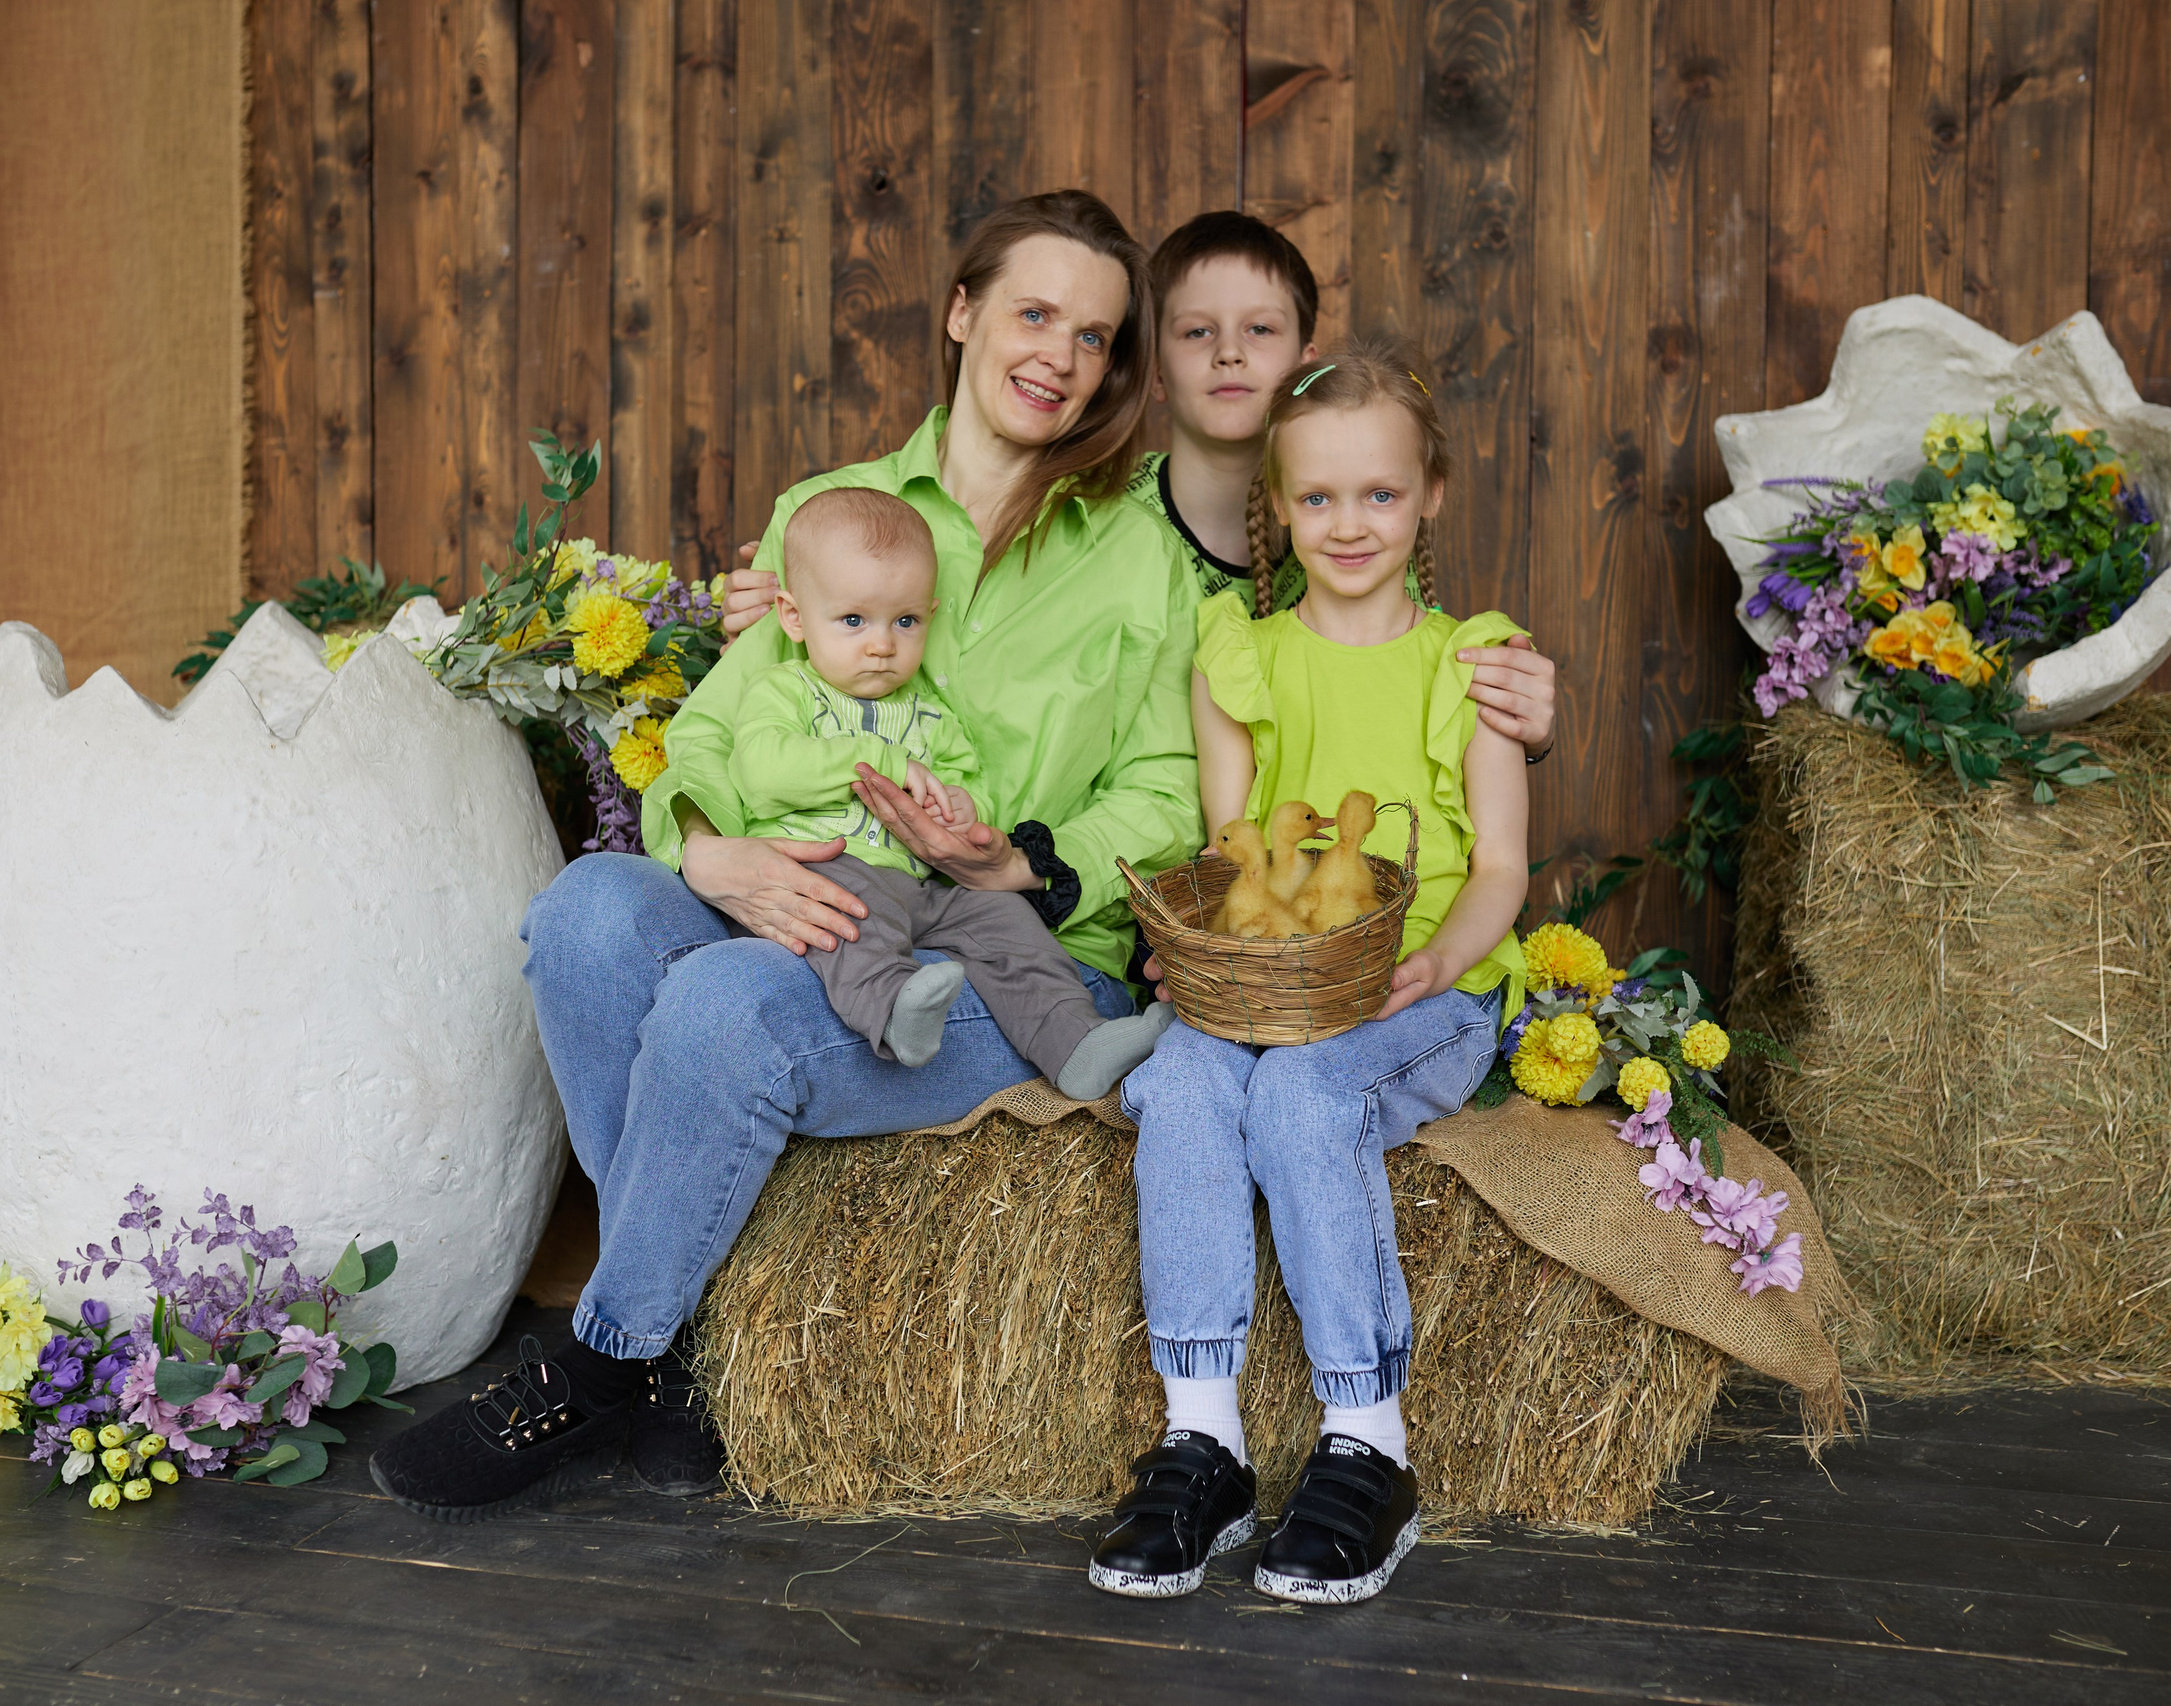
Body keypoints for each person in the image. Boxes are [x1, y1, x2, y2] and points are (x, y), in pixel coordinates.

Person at [368, 189, 1201, 1521]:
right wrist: (711, 853)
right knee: (588, 912)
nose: (1060, 352)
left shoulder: (1147, 562)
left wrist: (1015, 857)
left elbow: (1171, 792)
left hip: (1012, 959)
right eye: (1034, 311)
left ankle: (597, 1360)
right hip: (809, 903)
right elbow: (717, 728)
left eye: (1096, 336)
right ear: (962, 312)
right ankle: (675, 1350)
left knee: (725, 1006)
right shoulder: (828, 509)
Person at [1088, 338, 1530, 1606]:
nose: (1349, 523)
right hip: (1278, 970)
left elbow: (1498, 865)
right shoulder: (1243, 650)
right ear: (1275, 505)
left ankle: (1366, 1441)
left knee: (1299, 1100)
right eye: (1319, 496)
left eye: (1380, 494)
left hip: (1424, 993)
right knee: (1178, 1088)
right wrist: (1217, 965)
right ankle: (1203, 1435)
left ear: (1430, 494)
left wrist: (1440, 957)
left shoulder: (1472, 659)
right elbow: (1236, 855)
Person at [715, 211, 1562, 760]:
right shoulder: (1098, 514)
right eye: (1196, 333)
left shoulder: (1348, 542)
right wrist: (814, 611)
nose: (1229, 354)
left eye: (1259, 331)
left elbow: (1398, 699)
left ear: (1310, 363)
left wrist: (1513, 726)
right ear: (1152, 373)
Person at [730, 485, 1175, 1095]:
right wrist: (877, 758)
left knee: (1005, 918)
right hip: (835, 867)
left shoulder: (929, 712)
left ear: (929, 616)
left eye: (905, 621)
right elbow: (762, 770)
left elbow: (966, 779)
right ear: (794, 617)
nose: (882, 643)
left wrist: (965, 810)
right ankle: (893, 1009)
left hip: (928, 884)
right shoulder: (787, 691)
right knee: (847, 920)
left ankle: (1075, 1042)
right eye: (854, 620)